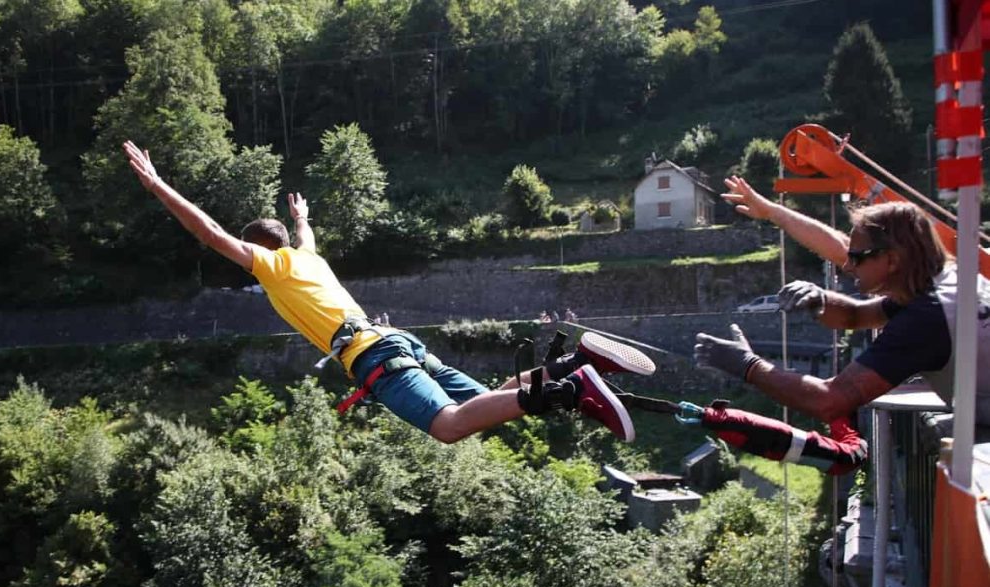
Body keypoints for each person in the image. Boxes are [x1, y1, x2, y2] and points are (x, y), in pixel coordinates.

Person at [123, 140, 658, 443]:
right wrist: (302, 217)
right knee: (491, 401)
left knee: (449, 427)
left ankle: (569, 389)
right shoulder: (306, 253)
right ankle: (571, 366)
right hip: (397, 344)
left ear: (258, 250)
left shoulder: (273, 266)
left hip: (377, 357)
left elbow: (210, 233)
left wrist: (156, 186)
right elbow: (305, 233)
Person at [695, 175, 990, 430]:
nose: (847, 267)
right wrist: (819, 300)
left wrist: (748, 366)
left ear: (891, 261)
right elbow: (857, 316)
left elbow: (829, 400)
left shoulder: (926, 320)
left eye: (857, 259)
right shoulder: (946, 284)